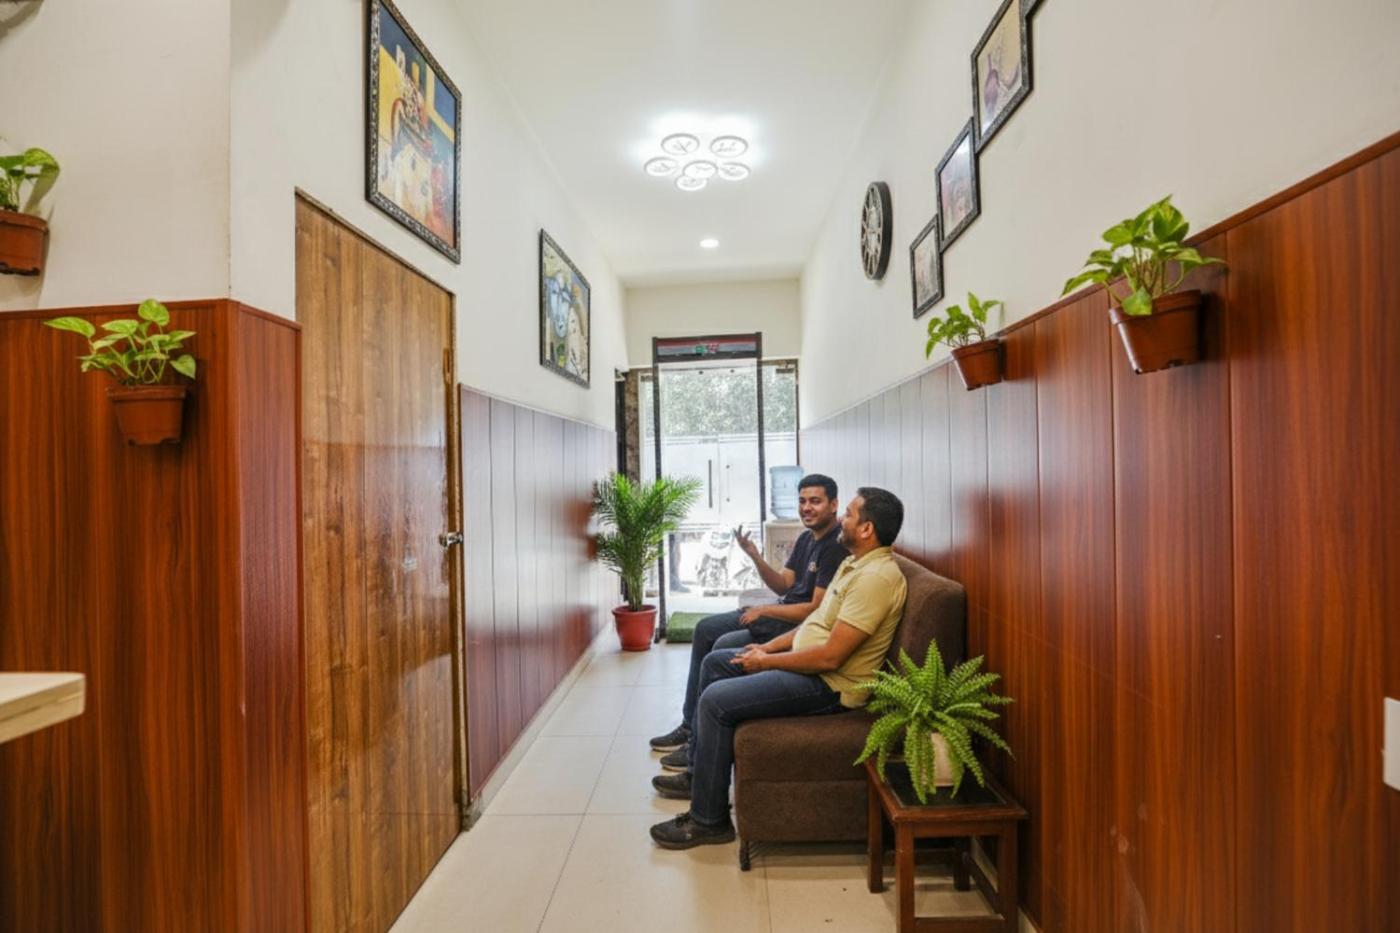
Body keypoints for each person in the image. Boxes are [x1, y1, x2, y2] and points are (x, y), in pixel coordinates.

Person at [648, 487, 908, 850]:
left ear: (867, 529)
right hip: (811, 667)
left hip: (830, 686)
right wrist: (766, 647)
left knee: (715, 701)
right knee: (717, 662)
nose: (842, 520)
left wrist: (766, 662)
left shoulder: (876, 579)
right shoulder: (854, 564)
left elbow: (830, 658)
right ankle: (698, 777)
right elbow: (816, 623)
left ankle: (709, 821)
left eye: (848, 514)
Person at [647, 474, 847, 770]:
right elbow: (783, 585)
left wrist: (765, 611)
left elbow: (814, 609)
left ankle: (695, 733)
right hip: (780, 611)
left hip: (792, 625)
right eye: (802, 501)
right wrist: (754, 556)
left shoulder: (835, 547)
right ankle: (691, 727)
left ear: (834, 505)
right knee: (705, 629)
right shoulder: (806, 538)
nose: (806, 508)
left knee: (720, 642)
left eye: (815, 501)